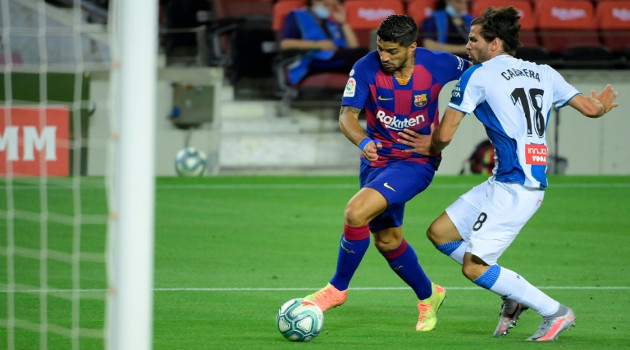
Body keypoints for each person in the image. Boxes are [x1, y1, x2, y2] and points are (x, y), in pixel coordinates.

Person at [397, 7, 619, 341]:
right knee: (441, 233)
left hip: (516, 189)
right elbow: (591, 109)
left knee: (474, 266)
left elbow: (443, 136)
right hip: (508, 180)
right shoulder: (543, 72)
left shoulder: (478, 75)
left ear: (495, 43)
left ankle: (555, 312)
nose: (467, 46)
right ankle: (511, 294)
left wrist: (428, 146)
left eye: (473, 40)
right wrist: (600, 106)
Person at [304, 14, 470, 331]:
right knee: (388, 241)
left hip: (415, 162)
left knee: (356, 212)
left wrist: (439, 139)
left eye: (392, 51)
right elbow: (346, 118)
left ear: (412, 47)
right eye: (381, 49)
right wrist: (363, 140)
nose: (384, 56)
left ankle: (337, 289)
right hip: (376, 162)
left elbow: (481, 77)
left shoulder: (440, 64)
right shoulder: (365, 67)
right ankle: (429, 295)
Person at [280, 0, 368, 85]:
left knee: (365, 55)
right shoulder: (298, 16)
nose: (329, 8)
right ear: (314, 1)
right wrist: (318, 45)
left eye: (333, 6)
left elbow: (353, 47)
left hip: (334, 58)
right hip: (312, 60)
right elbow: (285, 44)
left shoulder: (330, 22)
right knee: (363, 57)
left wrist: (343, 22)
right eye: (326, 4)